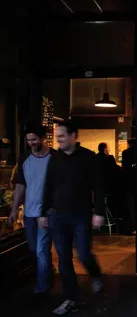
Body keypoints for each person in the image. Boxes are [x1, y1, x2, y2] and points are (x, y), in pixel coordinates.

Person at [38, 121, 105, 315]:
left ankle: (95, 274)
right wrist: (43, 212)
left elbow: (98, 187)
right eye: (57, 136)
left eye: (62, 136)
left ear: (73, 136)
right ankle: (71, 298)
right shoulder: (55, 158)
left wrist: (99, 211)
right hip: (58, 216)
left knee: (83, 254)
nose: (58, 139)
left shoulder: (89, 158)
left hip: (81, 214)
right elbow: (48, 186)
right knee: (64, 259)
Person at [9, 123, 54, 301]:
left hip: (47, 212)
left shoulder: (54, 158)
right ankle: (47, 272)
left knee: (42, 248)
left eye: (34, 139)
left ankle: (42, 285)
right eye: (28, 140)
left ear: (43, 138)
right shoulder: (24, 159)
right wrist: (14, 209)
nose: (31, 143)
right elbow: (20, 185)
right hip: (29, 213)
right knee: (34, 248)